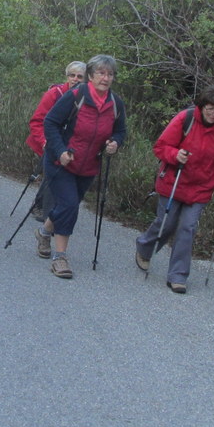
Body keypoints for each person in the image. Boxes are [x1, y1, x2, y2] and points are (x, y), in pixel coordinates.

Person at [135, 86, 214, 294]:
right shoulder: (186, 119)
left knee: (187, 228)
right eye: (210, 109)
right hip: (174, 181)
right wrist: (176, 155)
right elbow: (161, 146)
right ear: (201, 107)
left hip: (201, 187)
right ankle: (144, 248)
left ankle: (178, 275)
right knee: (166, 224)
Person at [38, 54, 126, 279]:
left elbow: (120, 130)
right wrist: (60, 151)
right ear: (90, 75)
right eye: (101, 73)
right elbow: (50, 122)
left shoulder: (115, 103)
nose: (105, 78)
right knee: (69, 206)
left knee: (68, 205)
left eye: (110, 74)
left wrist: (115, 142)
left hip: (89, 166)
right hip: (61, 162)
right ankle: (60, 258)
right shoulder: (75, 95)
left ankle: (44, 232)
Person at [25, 61, 87, 224]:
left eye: (80, 76)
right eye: (72, 75)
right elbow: (37, 121)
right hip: (48, 141)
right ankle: (49, 216)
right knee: (55, 172)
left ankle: (40, 206)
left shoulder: (87, 97)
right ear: (66, 77)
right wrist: (45, 141)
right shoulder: (55, 93)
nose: (75, 79)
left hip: (70, 144)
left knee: (55, 175)